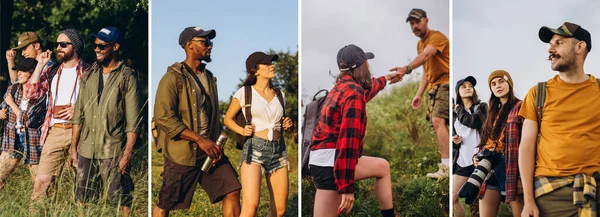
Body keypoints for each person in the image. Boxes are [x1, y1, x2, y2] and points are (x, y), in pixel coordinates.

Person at [153, 27, 241, 217]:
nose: (209, 46)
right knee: (166, 202)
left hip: (210, 149)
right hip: (182, 152)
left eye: (210, 42)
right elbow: (163, 117)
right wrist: (199, 140)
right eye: (205, 42)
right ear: (189, 45)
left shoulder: (209, 77)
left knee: (232, 188)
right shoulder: (172, 78)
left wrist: (213, 142)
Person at [309, 44, 401, 217]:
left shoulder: (342, 87)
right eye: (366, 63)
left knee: (382, 167)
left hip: (320, 161)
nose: (368, 67)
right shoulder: (353, 94)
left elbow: (366, 92)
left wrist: (386, 78)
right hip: (331, 163)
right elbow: (347, 142)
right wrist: (346, 187)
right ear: (360, 67)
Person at [519, 22, 600, 217]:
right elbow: (527, 147)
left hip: (596, 190)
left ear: (580, 47)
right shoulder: (538, 93)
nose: (550, 49)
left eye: (559, 42)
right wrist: (528, 200)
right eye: (550, 44)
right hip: (550, 194)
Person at [69, 27, 140, 216]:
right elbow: (79, 115)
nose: (97, 49)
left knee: (120, 199)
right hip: (86, 149)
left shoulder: (127, 77)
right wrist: (73, 148)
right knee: (84, 199)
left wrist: (127, 155)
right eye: (95, 46)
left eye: (102, 46)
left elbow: (133, 123)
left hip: (113, 150)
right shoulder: (89, 73)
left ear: (115, 47)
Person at [223, 51, 293, 217]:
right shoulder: (244, 92)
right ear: (255, 70)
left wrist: (285, 123)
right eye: (267, 63)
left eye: (272, 63)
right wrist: (242, 130)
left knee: (280, 209)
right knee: (250, 207)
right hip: (254, 149)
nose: (272, 66)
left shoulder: (280, 94)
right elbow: (227, 119)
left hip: (278, 151)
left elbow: (278, 120)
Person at [27, 29, 89, 207]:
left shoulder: (89, 71)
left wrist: (79, 109)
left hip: (81, 132)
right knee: (41, 182)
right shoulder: (53, 71)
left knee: (83, 188)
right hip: (55, 131)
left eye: (63, 44)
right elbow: (31, 94)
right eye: (57, 44)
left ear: (75, 47)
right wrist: (40, 65)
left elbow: (98, 100)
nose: (58, 48)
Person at [390, 8, 450, 178]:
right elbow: (426, 70)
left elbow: (425, 56)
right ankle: (447, 162)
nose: (415, 26)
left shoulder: (437, 37)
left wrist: (406, 68)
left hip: (446, 81)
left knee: (438, 120)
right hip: (434, 87)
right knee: (436, 125)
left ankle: (445, 168)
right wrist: (418, 93)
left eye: (417, 21)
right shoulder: (419, 44)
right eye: (412, 23)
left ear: (426, 20)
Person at [470, 70, 523, 217]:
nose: (498, 86)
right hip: (490, 167)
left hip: (511, 167)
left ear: (509, 84)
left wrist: (521, 177)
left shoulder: (521, 106)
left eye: (501, 81)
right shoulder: (492, 112)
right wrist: (477, 155)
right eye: (493, 84)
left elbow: (527, 142)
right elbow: (486, 142)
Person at [0, 58, 47, 189]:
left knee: (39, 184)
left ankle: (43, 209)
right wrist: (2, 112)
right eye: (18, 70)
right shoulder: (14, 88)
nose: (19, 73)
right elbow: (3, 106)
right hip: (12, 139)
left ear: (32, 73)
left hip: (32, 141)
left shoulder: (40, 93)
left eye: (23, 71)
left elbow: (28, 120)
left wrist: (12, 104)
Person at [452, 76, 487, 217]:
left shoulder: (482, 107)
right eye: (464, 86)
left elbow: (473, 122)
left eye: (470, 86)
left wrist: (458, 108)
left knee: (479, 203)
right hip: (462, 161)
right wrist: (454, 140)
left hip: (480, 160)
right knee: (453, 198)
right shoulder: (454, 114)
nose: (468, 88)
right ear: (458, 92)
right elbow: (457, 135)